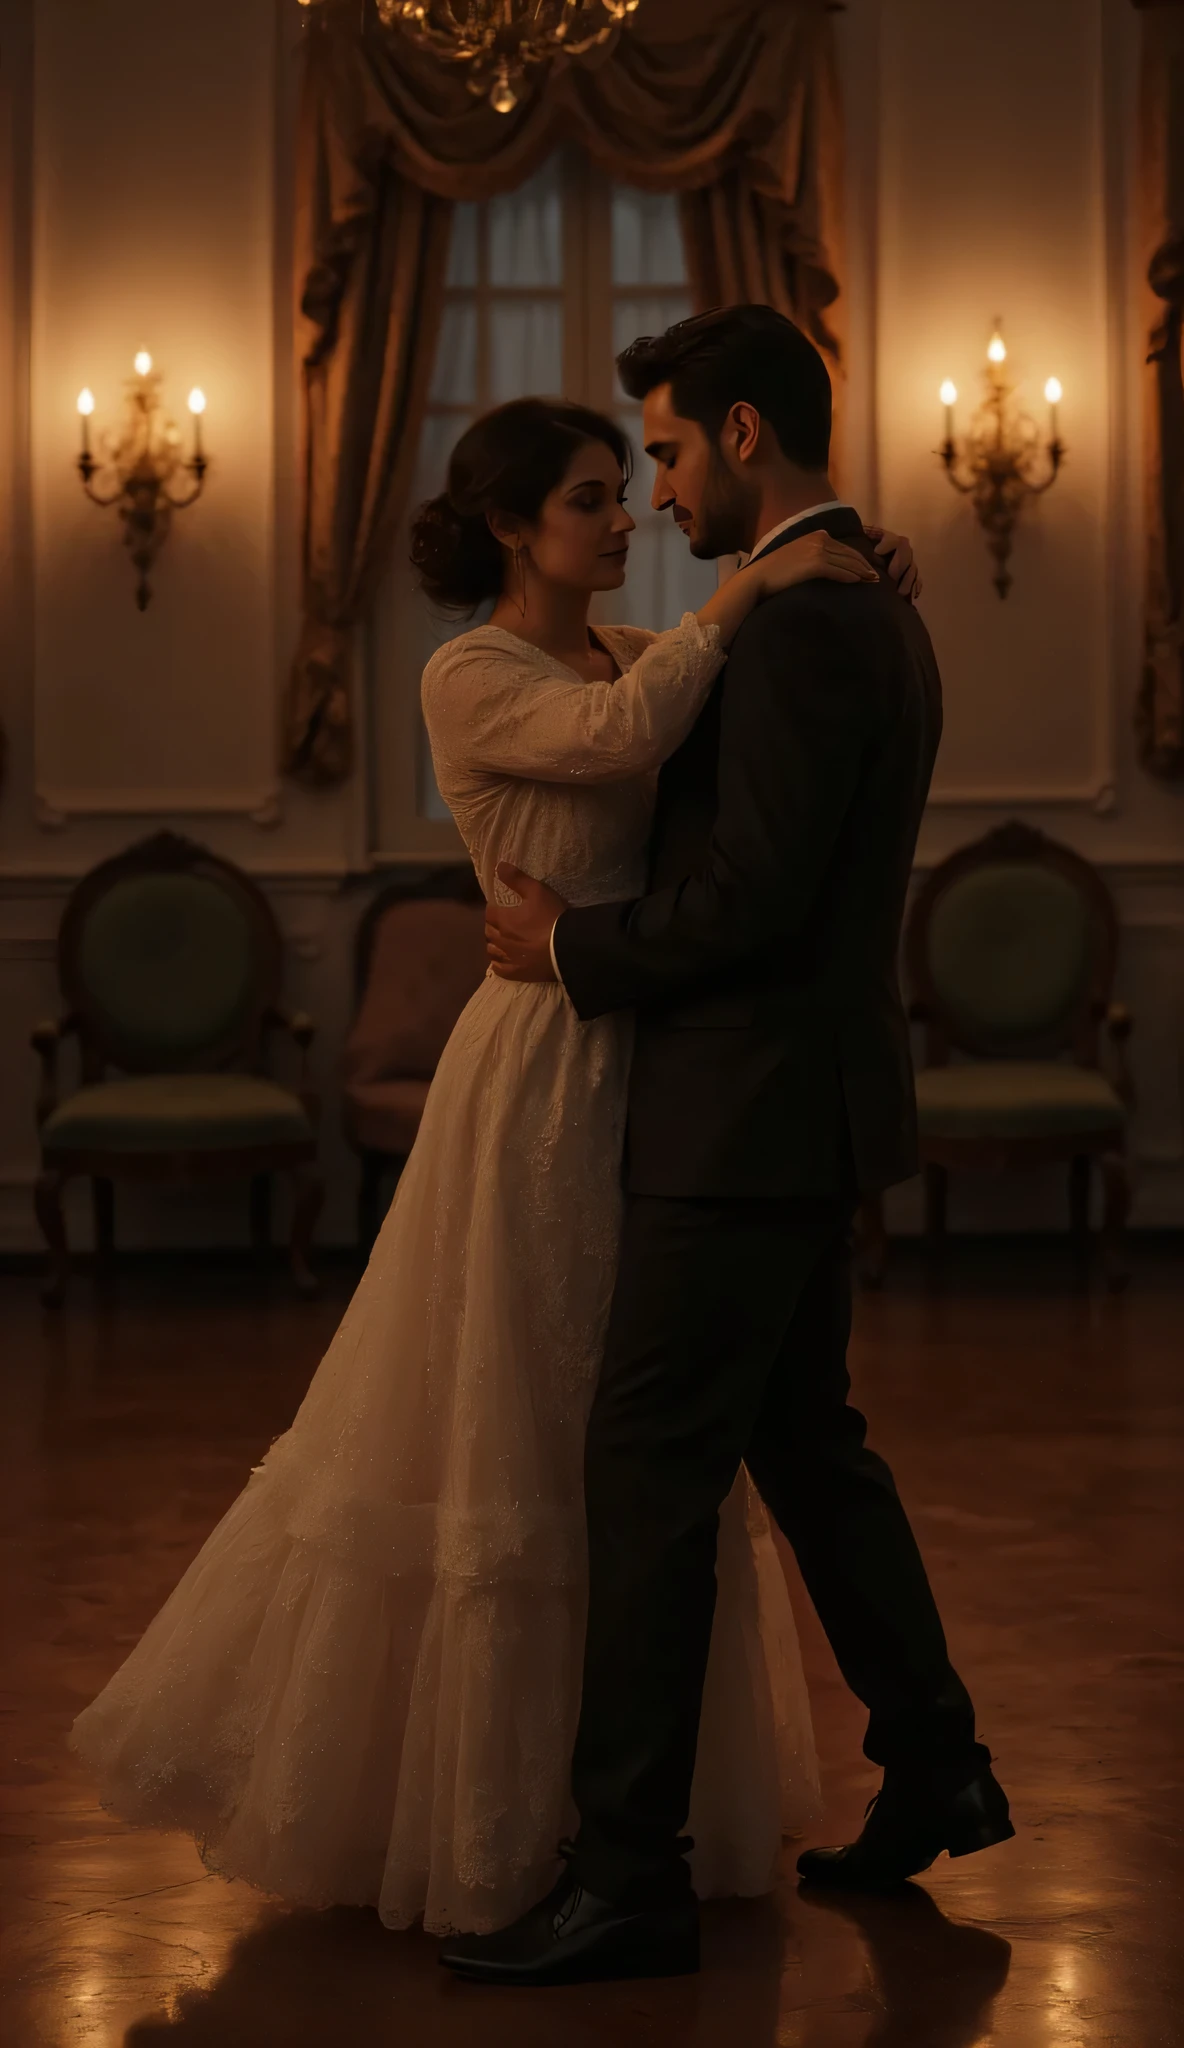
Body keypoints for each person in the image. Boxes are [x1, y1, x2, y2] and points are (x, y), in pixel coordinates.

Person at [70, 390, 922, 1938]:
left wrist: (854, 581)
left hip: (652, 1061)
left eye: (626, 486)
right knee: (524, 1421)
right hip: (538, 1068)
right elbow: (621, 740)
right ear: (513, 526)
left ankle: (623, 1818)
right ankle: (506, 1817)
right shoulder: (467, 671)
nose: (626, 515)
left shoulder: (637, 647)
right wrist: (762, 582)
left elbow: (720, 720)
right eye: (592, 496)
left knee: (632, 1430)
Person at [452, 308, 1014, 1988]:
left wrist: (571, 948)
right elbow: (648, 718)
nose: (658, 490)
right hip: (788, 1105)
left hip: (741, 1115)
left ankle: (627, 1875)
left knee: (646, 1471)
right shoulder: (835, 599)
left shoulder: (812, 621)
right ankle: (938, 1762)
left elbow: (756, 897)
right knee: (808, 1444)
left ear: (745, 434)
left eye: (672, 453)